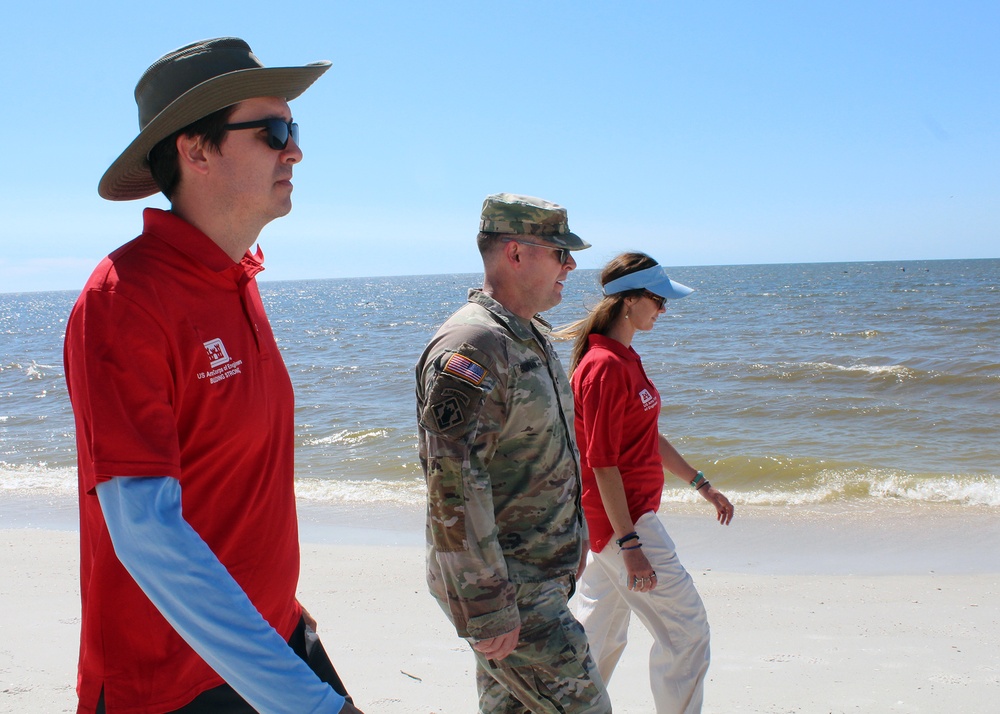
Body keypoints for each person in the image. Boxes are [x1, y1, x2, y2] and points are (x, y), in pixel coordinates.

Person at [63, 37, 364, 713]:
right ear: (195, 150)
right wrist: (305, 701)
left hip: (269, 635)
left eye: (294, 129)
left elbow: (230, 486)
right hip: (170, 684)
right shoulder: (124, 297)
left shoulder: (238, 279)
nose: (295, 150)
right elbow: (145, 532)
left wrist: (284, 618)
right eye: (274, 131)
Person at [415, 193, 612, 713]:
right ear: (516, 253)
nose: (571, 264)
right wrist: (486, 607)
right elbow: (453, 481)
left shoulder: (525, 336)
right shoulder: (474, 344)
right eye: (559, 251)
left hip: (537, 577)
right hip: (512, 588)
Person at [563, 252, 734, 714]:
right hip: (625, 523)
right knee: (687, 630)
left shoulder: (625, 357)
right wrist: (632, 543)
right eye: (658, 300)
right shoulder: (603, 365)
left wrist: (701, 484)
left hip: (618, 524)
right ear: (629, 300)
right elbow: (602, 464)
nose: (664, 309)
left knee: (597, 635)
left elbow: (645, 435)